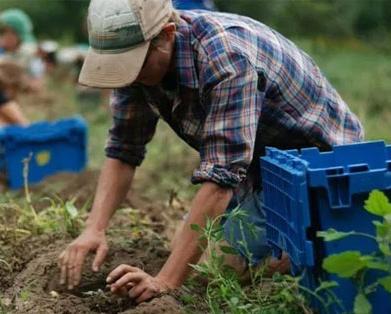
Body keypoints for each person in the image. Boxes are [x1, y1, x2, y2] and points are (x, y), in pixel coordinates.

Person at [58, 0, 364, 303]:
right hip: (254, 165)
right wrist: (94, 229)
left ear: (166, 34)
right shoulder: (139, 65)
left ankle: (301, 248)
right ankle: (277, 249)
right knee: (183, 249)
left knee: (206, 274)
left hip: (313, 166)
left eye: (136, 63)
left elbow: (221, 179)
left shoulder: (226, 58)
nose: (130, 75)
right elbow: (124, 148)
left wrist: (165, 282)